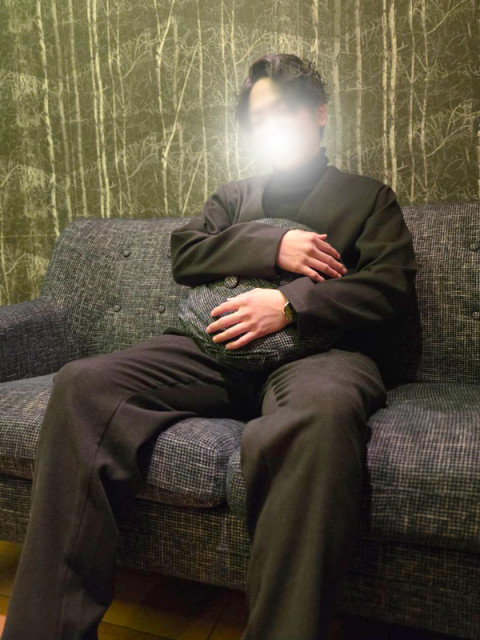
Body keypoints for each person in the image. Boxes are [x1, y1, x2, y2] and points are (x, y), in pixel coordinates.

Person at [1, 52, 417, 640]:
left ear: (321, 114)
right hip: (212, 350)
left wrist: (290, 304)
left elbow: (390, 286)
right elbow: (186, 253)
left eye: (287, 110)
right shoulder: (235, 196)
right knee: (83, 384)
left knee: (321, 416)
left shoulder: (367, 197)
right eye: (261, 117)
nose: (274, 125)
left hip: (320, 357)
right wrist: (272, 245)